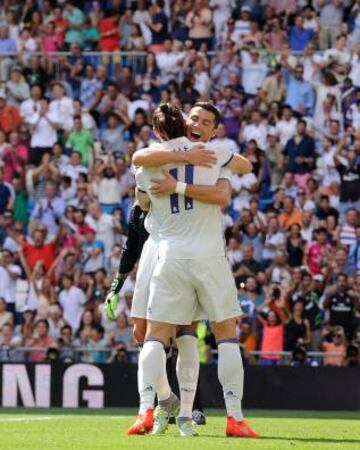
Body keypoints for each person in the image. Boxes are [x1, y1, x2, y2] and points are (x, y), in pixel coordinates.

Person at [130, 103, 258, 437]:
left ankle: (158, 409)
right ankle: (231, 417)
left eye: (205, 121)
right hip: (207, 256)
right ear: (185, 122)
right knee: (223, 332)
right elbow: (243, 168)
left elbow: (141, 194)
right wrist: (216, 153)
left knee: (159, 335)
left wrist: (175, 186)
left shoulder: (151, 159)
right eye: (194, 118)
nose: (198, 123)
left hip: (169, 255)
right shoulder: (214, 153)